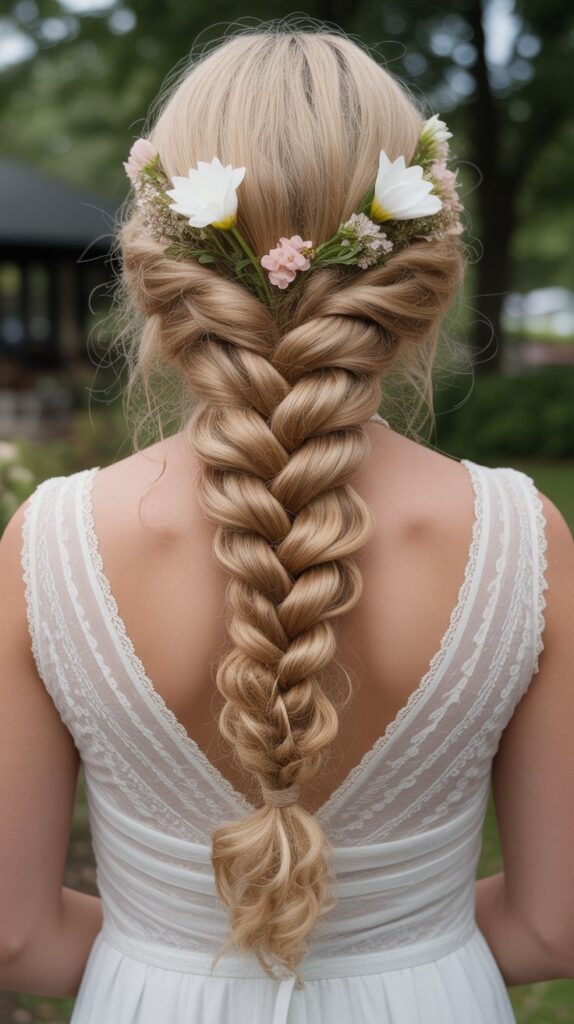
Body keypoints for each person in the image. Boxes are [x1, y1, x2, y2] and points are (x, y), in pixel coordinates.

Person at [1, 21, 573, 1024]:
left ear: (157, 264)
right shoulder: (523, 539)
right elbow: (553, 925)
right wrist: (401, 944)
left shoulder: (49, 543)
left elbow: (16, 936)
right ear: (420, 265)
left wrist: (171, 943)